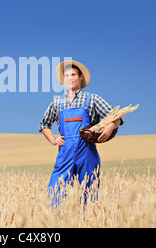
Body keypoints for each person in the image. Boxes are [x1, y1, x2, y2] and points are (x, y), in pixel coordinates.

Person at [39, 60, 123, 207]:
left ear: (81, 77)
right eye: (66, 76)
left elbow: (117, 116)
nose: (70, 78)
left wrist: (110, 126)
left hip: (87, 153)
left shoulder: (92, 99)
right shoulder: (57, 103)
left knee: (88, 196)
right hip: (65, 152)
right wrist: (52, 139)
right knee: (55, 194)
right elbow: (44, 125)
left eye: (73, 74)